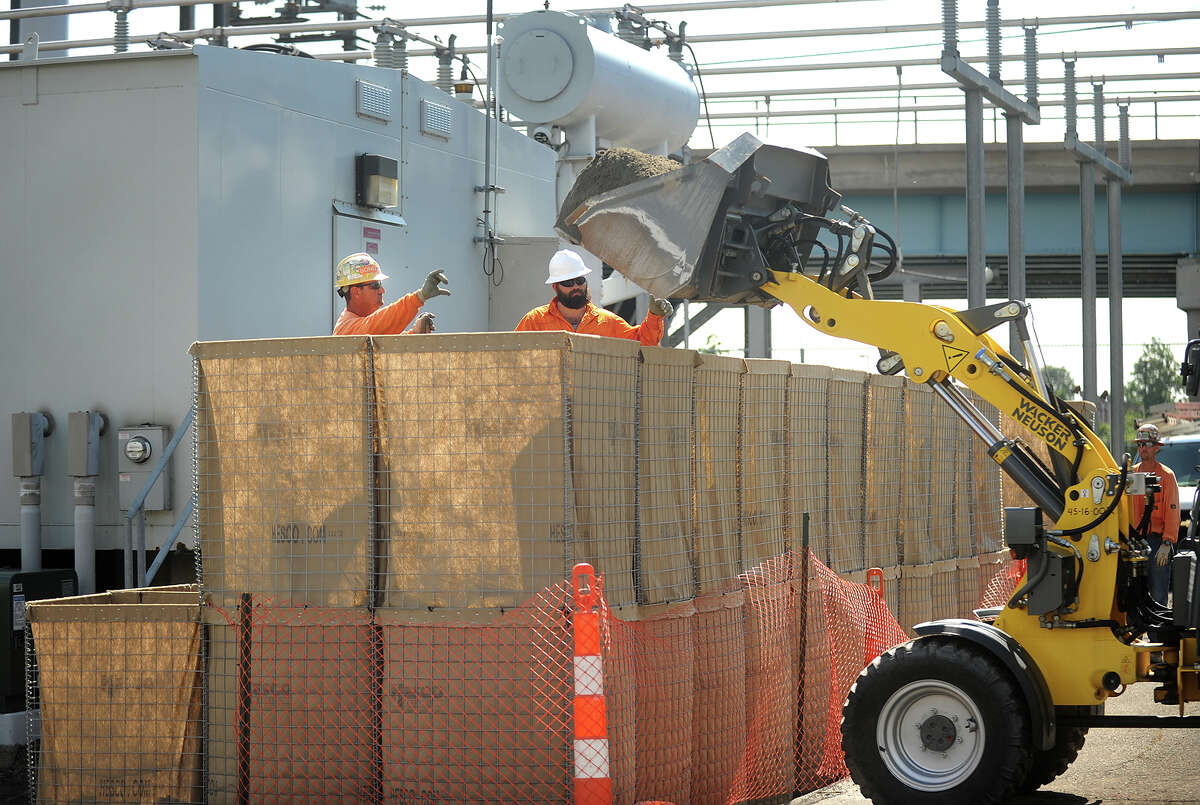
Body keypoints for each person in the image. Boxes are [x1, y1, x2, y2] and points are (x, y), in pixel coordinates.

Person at [515, 249, 672, 346]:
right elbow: (510, 355)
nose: (576, 286)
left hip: (593, 400)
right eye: (568, 282)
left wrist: (655, 317)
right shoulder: (535, 321)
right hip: (550, 399)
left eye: (580, 280)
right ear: (555, 287)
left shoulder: (607, 322)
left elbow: (643, 342)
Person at [333, 252, 450, 335]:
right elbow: (379, 324)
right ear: (356, 292)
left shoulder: (361, 328)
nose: (382, 291)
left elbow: (387, 344)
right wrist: (419, 297)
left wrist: (415, 334)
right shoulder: (346, 330)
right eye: (375, 285)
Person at [1130, 423, 1180, 606]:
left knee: (1158, 596)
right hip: (1135, 542)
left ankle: (1157, 635)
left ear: (1157, 448)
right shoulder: (1133, 474)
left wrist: (1167, 542)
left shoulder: (1166, 476)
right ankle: (1135, 634)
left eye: (1147, 444)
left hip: (1158, 543)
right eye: (1140, 444)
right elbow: (1128, 509)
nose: (1143, 448)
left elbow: (1172, 511)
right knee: (1134, 595)